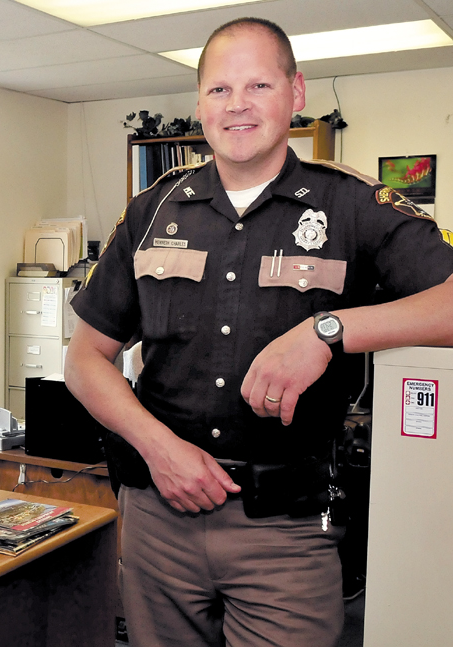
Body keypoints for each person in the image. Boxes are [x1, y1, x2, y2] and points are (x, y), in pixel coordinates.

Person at [65, 17, 453, 647]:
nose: (237, 106)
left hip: (286, 534)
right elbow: (84, 359)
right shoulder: (154, 207)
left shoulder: (351, 204)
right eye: (219, 90)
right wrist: (159, 450)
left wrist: (328, 330)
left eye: (259, 86)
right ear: (198, 104)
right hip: (158, 519)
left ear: (296, 92)